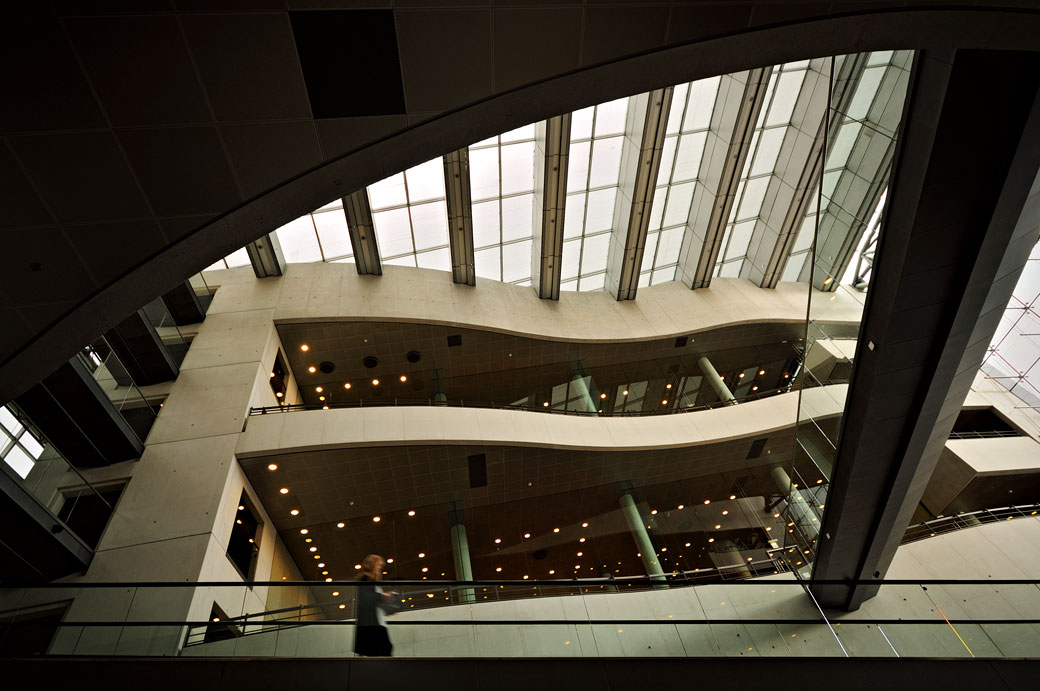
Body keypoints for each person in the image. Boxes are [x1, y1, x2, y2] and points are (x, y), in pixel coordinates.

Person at [353, 554, 401, 656]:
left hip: (376, 621)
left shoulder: (373, 581)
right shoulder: (364, 579)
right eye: (378, 565)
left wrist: (388, 609)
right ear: (371, 564)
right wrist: (383, 596)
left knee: (381, 651)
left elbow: (374, 600)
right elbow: (366, 598)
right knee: (384, 650)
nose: (380, 568)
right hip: (371, 623)